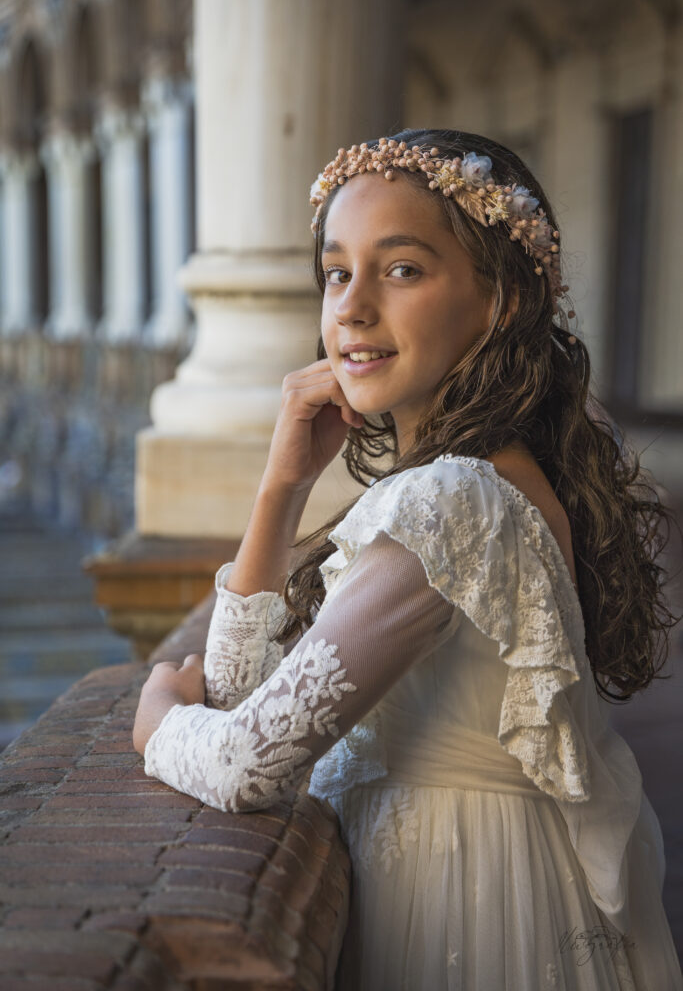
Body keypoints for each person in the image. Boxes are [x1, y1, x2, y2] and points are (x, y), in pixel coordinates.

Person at [133, 128, 683, 990]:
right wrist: (282, 485)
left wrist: (158, 719)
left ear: (501, 300)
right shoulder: (478, 480)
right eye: (336, 272)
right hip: (461, 872)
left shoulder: (453, 503)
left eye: (399, 269)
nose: (351, 309)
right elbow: (244, 695)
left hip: (458, 897)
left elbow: (244, 761)